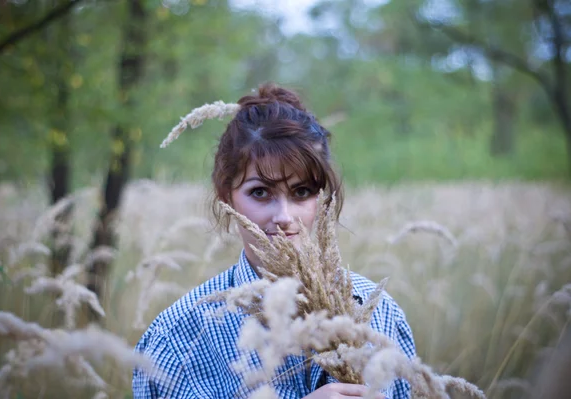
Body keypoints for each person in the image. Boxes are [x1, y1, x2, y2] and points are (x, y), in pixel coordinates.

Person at [133, 84, 416, 399]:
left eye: (302, 192)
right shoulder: (179, 338)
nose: (283, 215)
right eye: (260, 192)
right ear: (227, 197)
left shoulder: (380, 316)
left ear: (323, 198)